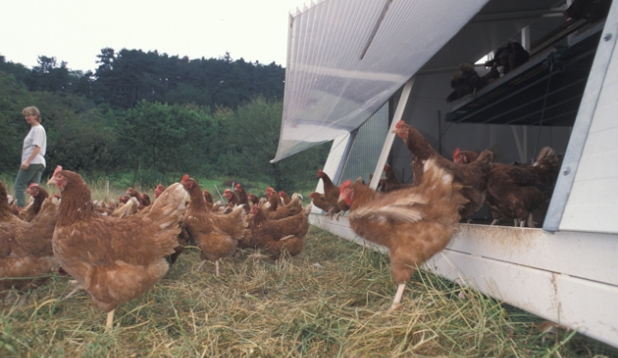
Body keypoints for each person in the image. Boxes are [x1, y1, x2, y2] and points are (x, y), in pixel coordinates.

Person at [15, 106, 47, 209]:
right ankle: (35, 210)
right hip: (38, 162)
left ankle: (20, 210)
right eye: (25, 116)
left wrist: (27, 162)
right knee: (34, 189)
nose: (26, 118)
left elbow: (37, 147)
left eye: (29, 115)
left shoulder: (37, 129)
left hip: (33, 161)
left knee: (19, 186)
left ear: (36, 116)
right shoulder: (35, 129)